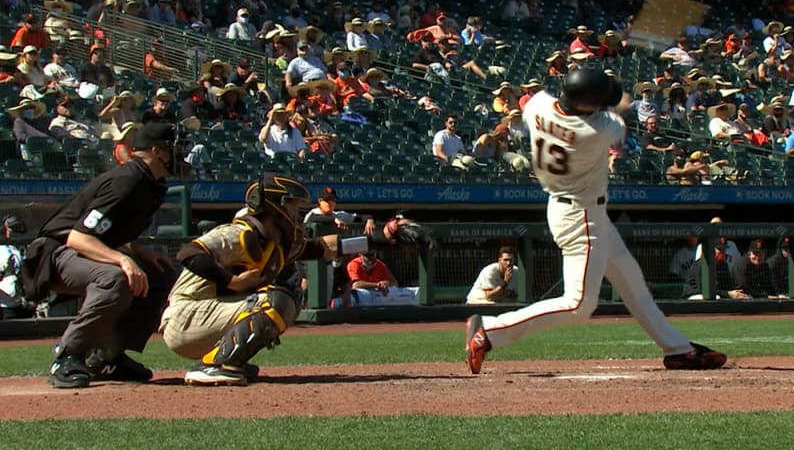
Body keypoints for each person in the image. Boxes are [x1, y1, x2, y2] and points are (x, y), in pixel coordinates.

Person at [464, 68, 726, 374]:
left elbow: (592, 103)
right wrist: (618, 98)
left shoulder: (537, 103)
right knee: (578, 304)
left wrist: (602, 95)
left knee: (632, 283)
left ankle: (678, 350)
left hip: (569, 207)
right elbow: (622, 106)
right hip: (582, 216)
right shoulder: (597, 129)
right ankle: (490, 331)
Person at [160, 174, 434, 385]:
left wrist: (382, 238)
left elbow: (324, 248)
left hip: (207, 315)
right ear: (274, 208)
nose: (297, 215)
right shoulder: (241, 233)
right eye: (292, 207)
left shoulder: (276, 242)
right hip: (186, 315)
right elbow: (189, 253)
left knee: (289, 293)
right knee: (278, 298)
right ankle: (214, 366)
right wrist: (231, 282)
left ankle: (229, 360)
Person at [19, 123, 182, 388]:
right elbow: (77, 236)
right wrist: (123, 259)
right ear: (157, 151)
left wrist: (138, 252)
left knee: (161, 276)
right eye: (174, 148)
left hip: (83, 252)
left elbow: (108, 233)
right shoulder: (127, 180)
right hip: (55, 253)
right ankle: (68, 355)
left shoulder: (150, 182)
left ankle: (107, 356)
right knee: (115, 277)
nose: (180, 153)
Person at [1, 214, 31, 318]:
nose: (15, 233)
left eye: (18, 229)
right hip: (6, 305)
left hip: (21, 303)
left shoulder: (23, 250)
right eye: (12, 229)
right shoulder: (3, 251)